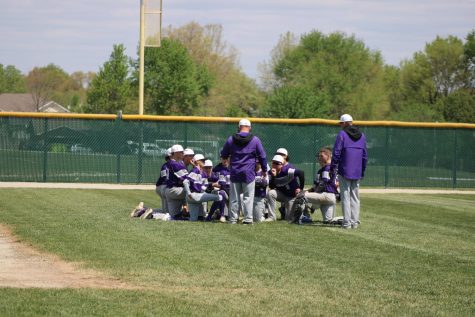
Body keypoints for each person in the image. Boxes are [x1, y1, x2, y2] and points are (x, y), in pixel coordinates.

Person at [220, 118, 268, 225]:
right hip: (249, 173)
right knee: (248, 197)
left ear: (238, 127)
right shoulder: (255, 140)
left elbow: (223, 155)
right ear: (250, 128)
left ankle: (233, 220)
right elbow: (262, 156)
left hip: (235, 172)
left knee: (234, 198)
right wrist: (264, 170)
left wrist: (227, 161)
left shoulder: (231, 139)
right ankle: (247, 219)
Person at [330, 114, 368, 229]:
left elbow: (336, 152)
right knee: (355, 197)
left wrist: (333, 166)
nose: (340, 126)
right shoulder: (362, 136)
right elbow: (365, 156)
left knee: (345, 196)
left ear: (344, 123)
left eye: (341, 123)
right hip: (357, 170)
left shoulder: (342, 134)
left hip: (344, 169)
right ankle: (354, 223)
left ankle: (346, 223)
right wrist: (362, 170)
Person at [304, 147, 339, 223]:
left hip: (326, 195)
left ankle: (304, 217)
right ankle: (344, 220)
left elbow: (323, 184)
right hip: (330, 197)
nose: (319, 158)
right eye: (319, 156)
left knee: (302, 196)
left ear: (329, 156)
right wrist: (308, 191)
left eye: (322, 156)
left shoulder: (327, 168)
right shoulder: (328, 169)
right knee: (328, 221)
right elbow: (316, 186)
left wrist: (309, 193)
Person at [266, 155, 305, 222]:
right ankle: (271, 217)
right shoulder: (270, 173)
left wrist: (300, 188)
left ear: (282, 165)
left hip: (292, 197)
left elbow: (301, 173)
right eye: (273, 163)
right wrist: (273, 177)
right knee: (270, 193)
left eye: (277, 163)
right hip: (282, 194)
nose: (274, 165)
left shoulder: (287, 170)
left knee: (289, 219)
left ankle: (302, 214)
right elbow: (272, 187)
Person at [183, 154, 222, 221]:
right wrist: (189, 193)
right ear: (197, 161)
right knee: (220, 197)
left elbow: (203, 188)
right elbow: (185, 182)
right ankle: (212, 215)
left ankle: (174, 217)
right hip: (193, 195)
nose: (204, 162)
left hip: (195, 197)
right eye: (202, 161)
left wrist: (212, 188)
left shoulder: (202, 172)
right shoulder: (196, 170)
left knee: (194, 219)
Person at [164, 144, 189, 219]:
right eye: (181, 152)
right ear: (176, 153)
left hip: (170, 190)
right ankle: (201, 214)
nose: (183, 154)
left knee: (173, 217)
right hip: (175, 190)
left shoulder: (170, 163)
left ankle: (143, 211)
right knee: (196, 192)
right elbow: (187, 179)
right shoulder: (176, 164)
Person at [155, 147, 172, 214]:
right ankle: (144, 211)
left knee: (166, 211)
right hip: (162, 186)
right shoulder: (165, 166)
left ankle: (148, 211)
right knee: (166, 212)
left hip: (164, 186)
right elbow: (164, 178)